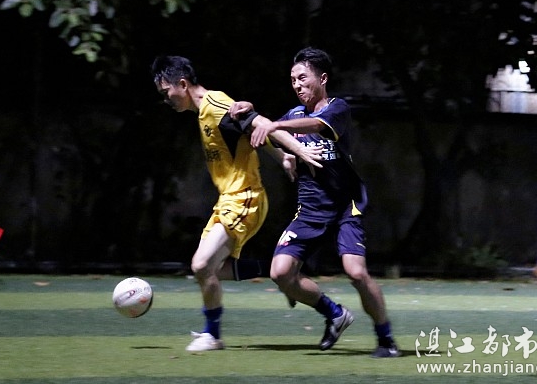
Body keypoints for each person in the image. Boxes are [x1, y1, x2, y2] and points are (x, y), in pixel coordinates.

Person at [230, 47, 401, 358]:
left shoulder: (337, 109)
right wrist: (252, 113)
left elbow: (315, 126)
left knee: (356, 273)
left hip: (345, 208)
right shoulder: (293, 115)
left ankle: (386, 339)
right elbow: (265, 130)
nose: (297, 85)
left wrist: (273, 125)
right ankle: (334, 314)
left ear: (322, 79)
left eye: (302, 78)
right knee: (280, 273)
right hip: (310, 211)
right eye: (293, 80)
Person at [151, 55, 324, 352]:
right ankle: (275, 273)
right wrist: (281, 157)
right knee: (211, 269)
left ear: (182, 83)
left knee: (202, 264)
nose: (166, 100)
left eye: (166, 92)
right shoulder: (203, 112)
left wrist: (297, 150)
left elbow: (261, 124)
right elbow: (252, 133)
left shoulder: (216, 104)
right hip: (228, 200)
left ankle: (212, 335)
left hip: (245, 197)